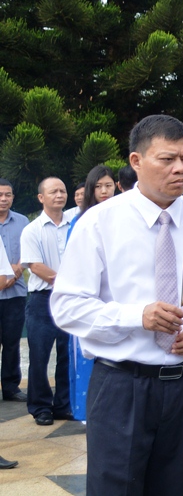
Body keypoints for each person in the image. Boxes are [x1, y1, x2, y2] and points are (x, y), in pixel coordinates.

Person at [51, 114, 183, 495]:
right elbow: (68, 306)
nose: (180, 169)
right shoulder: (99, 223)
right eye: (167, 159)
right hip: (122, 385)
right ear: (136, 162)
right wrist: (136, 316)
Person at [19, 177, 73, 425]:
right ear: (41, 198)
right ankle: (40, 407)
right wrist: (70, 281)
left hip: (71, 300)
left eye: (62, 191)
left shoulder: (75, 225)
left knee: (67, 354)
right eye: (53, 192)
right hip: (43, 300)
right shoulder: (32, 230)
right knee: (39, 356)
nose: (60, 195)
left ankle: (63, 404)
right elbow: (36, 266)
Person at [66, 164, 118, 420]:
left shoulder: (122, 216)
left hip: (118, 299)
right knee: (86, 358)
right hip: (89, 299)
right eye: (98, 186)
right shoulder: (81, 221)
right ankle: (88, 413)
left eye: (108, 185)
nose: (104, 190)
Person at [0, 179, 28, 403]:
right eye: (0, 195)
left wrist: (14, 274)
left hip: (15, 292)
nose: (3, 199)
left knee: (11, 341)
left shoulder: (22, 221)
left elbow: (28, 252)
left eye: (7, 195)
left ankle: (11, 387)